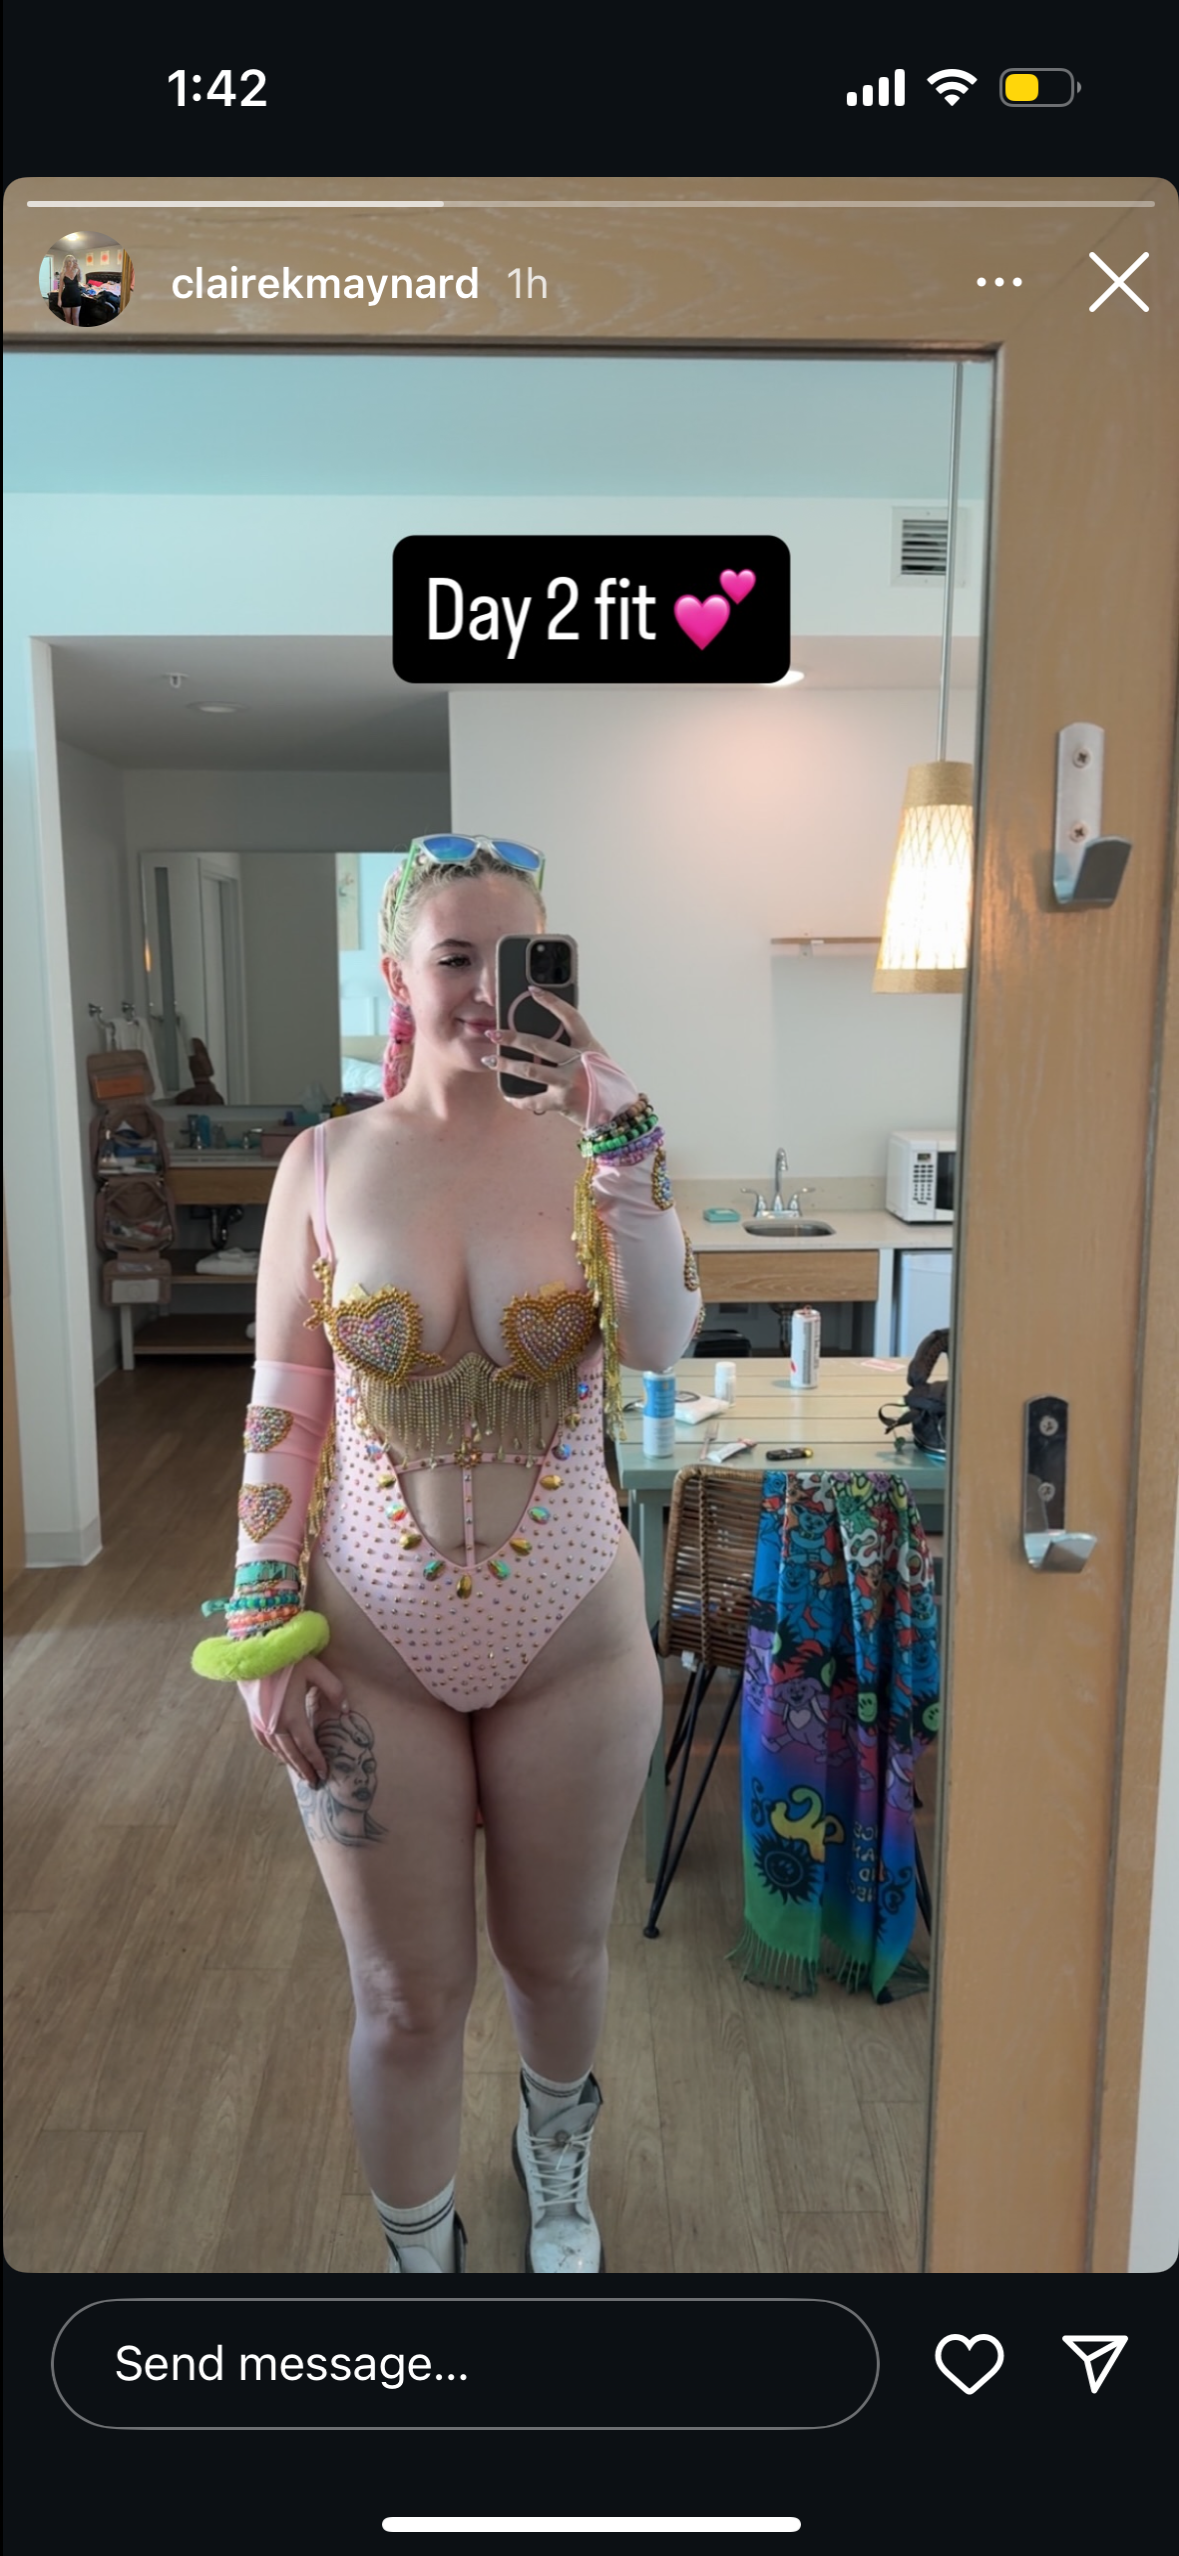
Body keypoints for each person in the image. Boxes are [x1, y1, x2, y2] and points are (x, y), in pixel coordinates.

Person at [194, 837, 702, 2273]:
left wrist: (630, 1155)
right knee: (404, 1997)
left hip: (573, 1642)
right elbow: (284, 1409)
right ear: (397, 975)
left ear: (558, 972)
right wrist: (261, 1631)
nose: (487, 992)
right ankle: (424, 2264)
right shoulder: (324, 1164)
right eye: (455, 958)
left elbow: (660, 1343)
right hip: (369, 1648)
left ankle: (556, 2158)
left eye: (518, 960)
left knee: (559, 1959)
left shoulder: (603, 1148)